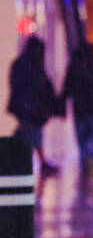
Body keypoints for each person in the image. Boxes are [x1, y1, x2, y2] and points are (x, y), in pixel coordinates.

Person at [7, 36, 61, 174]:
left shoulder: (21, 63)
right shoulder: (33, 65)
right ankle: (30, 163)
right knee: (31, 134)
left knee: (29, 133)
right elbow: (39, 86)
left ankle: (29, 162)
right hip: (31, 108)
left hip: (27, 107)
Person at [61, 43, 93, 176]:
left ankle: (86, 163)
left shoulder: (75, 67)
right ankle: (92, 158)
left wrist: (61, 104)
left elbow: (67, 87)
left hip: (80, 109)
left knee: (82, 139)